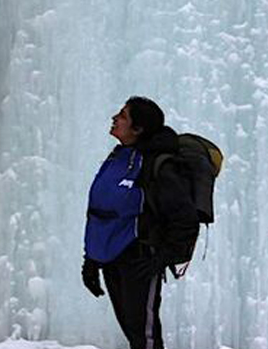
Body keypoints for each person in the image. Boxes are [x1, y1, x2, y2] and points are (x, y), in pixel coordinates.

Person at [82, 96, 199, 349]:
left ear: (138, 129)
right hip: (112, 259)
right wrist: (90, 260)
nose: (115, 118)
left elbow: (185, 217)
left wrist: (163, 256)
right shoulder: (118, 157)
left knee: (144, 336)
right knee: (133, 331)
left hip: (140, 258)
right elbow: (99, 210)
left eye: (123, 116)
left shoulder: (157, 165)